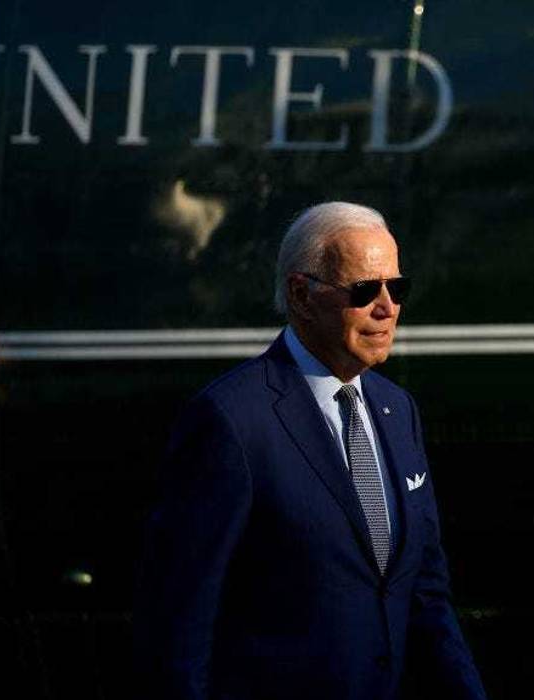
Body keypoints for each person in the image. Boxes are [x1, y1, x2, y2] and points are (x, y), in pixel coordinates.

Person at [134, 202, 487, 700]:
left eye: (397, 288)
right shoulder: (230, 420)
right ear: (301, 295)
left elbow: (425, 594)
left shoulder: (396, 409)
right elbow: (178, 622)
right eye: (365, 291)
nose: (387, 308)